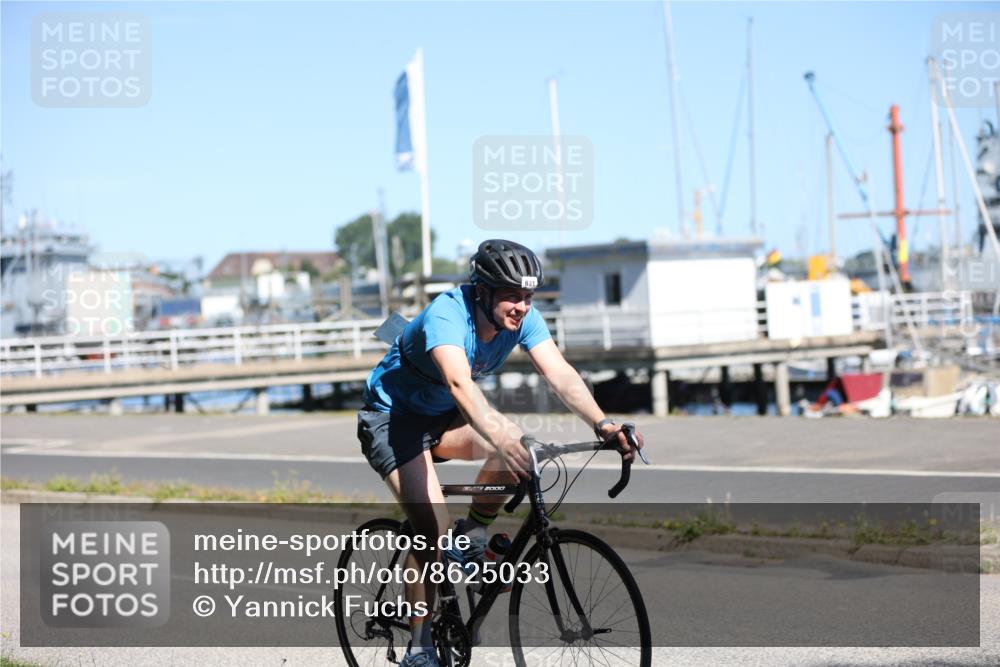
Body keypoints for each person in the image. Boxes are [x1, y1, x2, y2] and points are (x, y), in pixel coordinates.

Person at [357, 239, 645, 666]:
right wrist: (500, 432)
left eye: (527, 297)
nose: (521, 306)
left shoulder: (522, 319)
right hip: (391, 420)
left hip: (441, 421)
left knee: (522, 449)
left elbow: (560, 374)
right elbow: (460, 385)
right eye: (512, 295)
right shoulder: (447, 315)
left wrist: (602, 423)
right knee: (431, 526)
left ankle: (472, 535)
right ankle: (419, 647)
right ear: (483, 291)